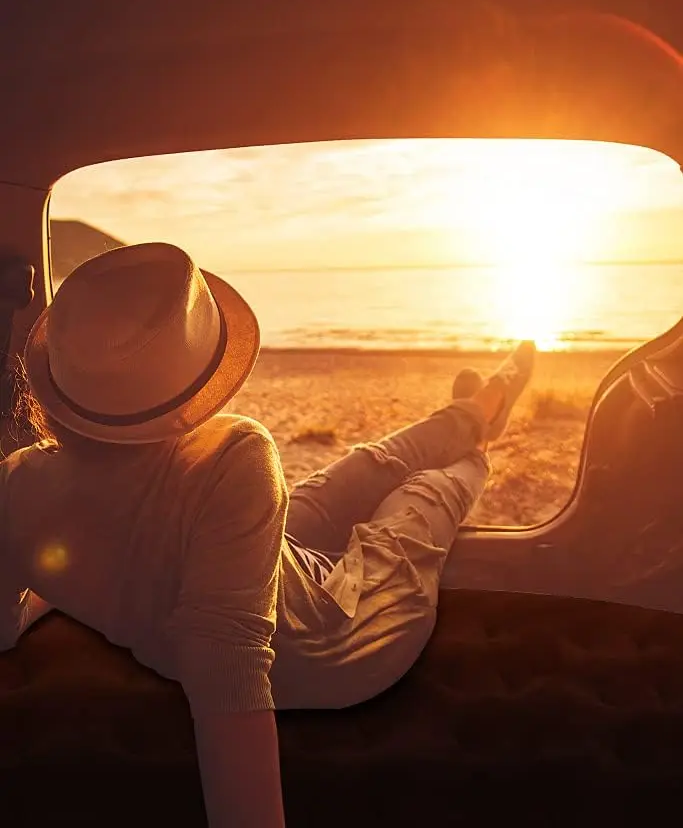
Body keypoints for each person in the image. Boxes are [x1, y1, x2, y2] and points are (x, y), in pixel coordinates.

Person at [0, 243, 535, 827]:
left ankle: (471, 411)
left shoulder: (15, 483)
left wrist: (58, 580)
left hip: (263, 565)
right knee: (417, 505)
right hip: (332, 631)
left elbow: (11, 615)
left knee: (362, 467)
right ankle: (479, 445)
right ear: (192, 383)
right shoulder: (232, 453)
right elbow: (229, 671)